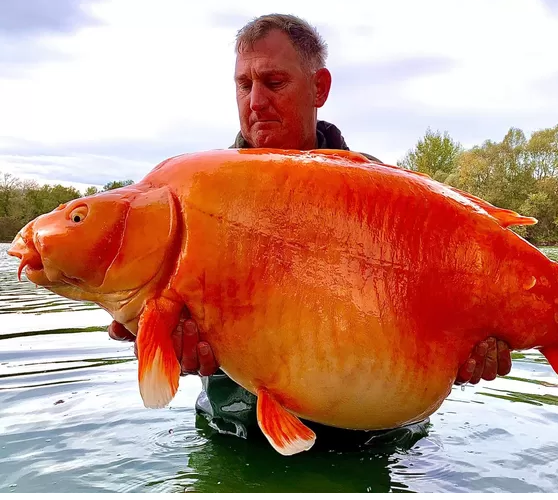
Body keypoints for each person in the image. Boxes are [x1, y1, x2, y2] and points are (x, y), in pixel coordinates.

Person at [108, 13, 512, 446]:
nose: (256, 101)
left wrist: (469, 350)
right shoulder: (193, 197)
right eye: (244, 85)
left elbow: (444, 312)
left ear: (319, 87)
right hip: (236, 432)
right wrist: (156, 339)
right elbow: (147, 314)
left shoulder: (387, 195)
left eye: (274, 83)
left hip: (370, 440)